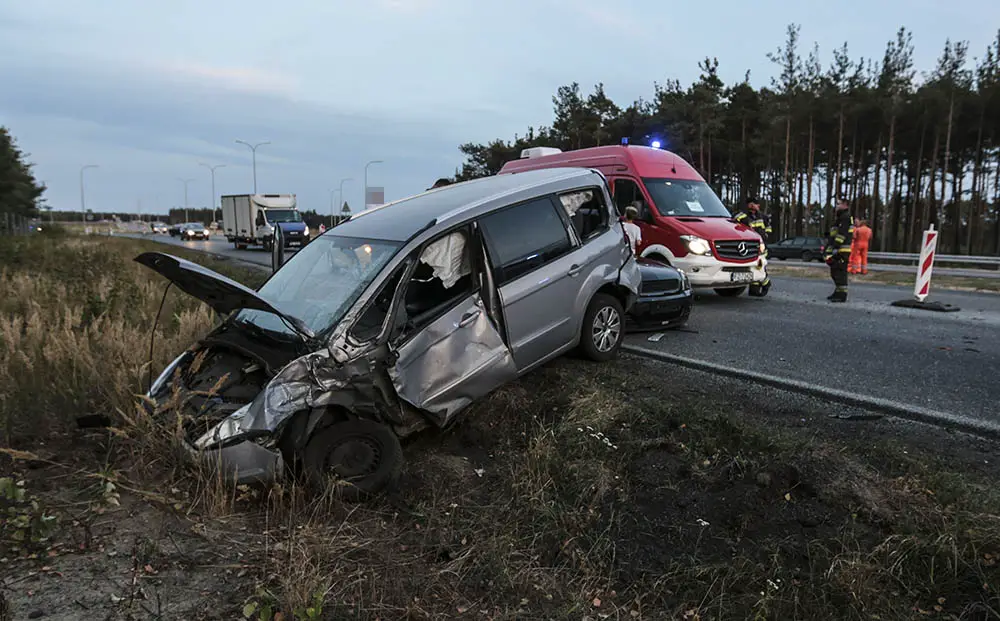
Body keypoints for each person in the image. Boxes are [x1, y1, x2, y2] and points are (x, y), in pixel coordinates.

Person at [824, 199, 855, 302]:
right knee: (835, 271)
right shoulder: (840, 218)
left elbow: (842, 234)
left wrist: (836, 247)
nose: (836, 206)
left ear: (845, 205)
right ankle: (838, 291)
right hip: (838, 249)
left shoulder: (846, 217)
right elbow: (835, 233)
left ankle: (842, 294)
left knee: (840, 272)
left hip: (842, 249)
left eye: (838, 204)